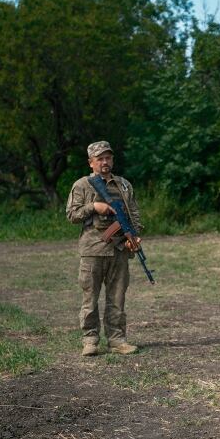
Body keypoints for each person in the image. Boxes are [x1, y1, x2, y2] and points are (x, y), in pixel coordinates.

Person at [66, 141, 143, 357]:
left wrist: (133, 237)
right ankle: (90, 340)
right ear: (91, 163)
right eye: (99, 159)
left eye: (108, 158)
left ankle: (117, 340)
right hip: (93, 250)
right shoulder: (82, 185)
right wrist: (93, 207)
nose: (104, 162)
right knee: (90, 298)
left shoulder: (124, 185)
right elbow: (72, 215)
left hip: (119, 250)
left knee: (117, 298)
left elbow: (134, 214)